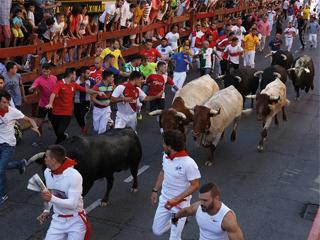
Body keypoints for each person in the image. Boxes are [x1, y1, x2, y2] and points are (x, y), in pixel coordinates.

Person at [151, 130, 201, 239]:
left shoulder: (189, 163)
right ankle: (175, 220)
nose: (162, 145)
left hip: (180, 205)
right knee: (157, 231)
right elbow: (163, 171)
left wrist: (177, 199)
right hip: (164, 200)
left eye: (164, 144)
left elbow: (195, 185)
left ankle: (180, 218)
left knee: (174, 237)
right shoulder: (165, 156)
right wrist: (155, 190)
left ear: (170, 147)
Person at [37, 145, 91, 240]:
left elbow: (73, 204)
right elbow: (50, 193)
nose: (44, 159)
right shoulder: (47, 172)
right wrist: (46, 210)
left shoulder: (74, 176)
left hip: (76, 221)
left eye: (46, 156)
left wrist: (51, 198)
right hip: (58, 220)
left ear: (53, 160)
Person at [0, 89, 40, 205]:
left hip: (8, 145)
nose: (6, 105)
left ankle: (3, 194)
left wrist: (35, 128)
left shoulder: (12, 111)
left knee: (0, 170)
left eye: (7, 102)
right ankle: (20, 164)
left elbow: (29, 119)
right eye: (3, 102)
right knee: (3, 166)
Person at [45, 67, 105, 144]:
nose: (76, 76)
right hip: (56, 113)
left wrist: (97, 92)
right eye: (75, 74)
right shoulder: (59, 84)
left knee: (60, 131)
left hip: (67, 113)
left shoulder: (74, 85)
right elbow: (53, 94)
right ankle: (63, 138)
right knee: (57, 132)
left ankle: (56, 147)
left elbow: (86, 90)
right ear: (71, 74)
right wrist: (50, 103)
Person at [172, 182, 245, 240]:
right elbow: (186, 211)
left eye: (205, 200)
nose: (201, 203)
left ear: (216, 198)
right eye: (200, 199)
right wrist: (175, 217)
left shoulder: (227, 219)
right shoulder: (198, 207)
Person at [29, 63, 57, 135]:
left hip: (52, 104)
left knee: (51, 127)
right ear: (42, 71)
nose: (45, 73)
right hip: (43, 104)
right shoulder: (38, 79)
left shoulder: (54, 78)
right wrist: (31, 88)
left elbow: (57, 89)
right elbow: (33, 86)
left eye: (47, 71)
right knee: (39, 124)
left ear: (50, 71)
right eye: (44, 71)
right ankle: (39, 137)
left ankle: (60, 134)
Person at [91, 70, 115, 135]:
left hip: (106, 109)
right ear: (107, 78)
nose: (113, 79)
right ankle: (110, 122)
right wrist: (101, 103)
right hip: (97, 109)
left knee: (101, 129)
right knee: (96, 129)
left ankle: (101, 143)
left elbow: (112, 94)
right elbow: (92, 98)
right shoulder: (97, 86)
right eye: (112, 77)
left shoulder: (112, 85)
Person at [74, 66, 96, 136]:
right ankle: (83, 127)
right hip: (76, 102)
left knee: (82, 115)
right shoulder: (75, 80)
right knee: (78, 117)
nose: (89, 74)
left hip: (86, 101)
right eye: (87, 73)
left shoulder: (91, 80)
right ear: (82, 74)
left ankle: (84, 131)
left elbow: (96, 88)